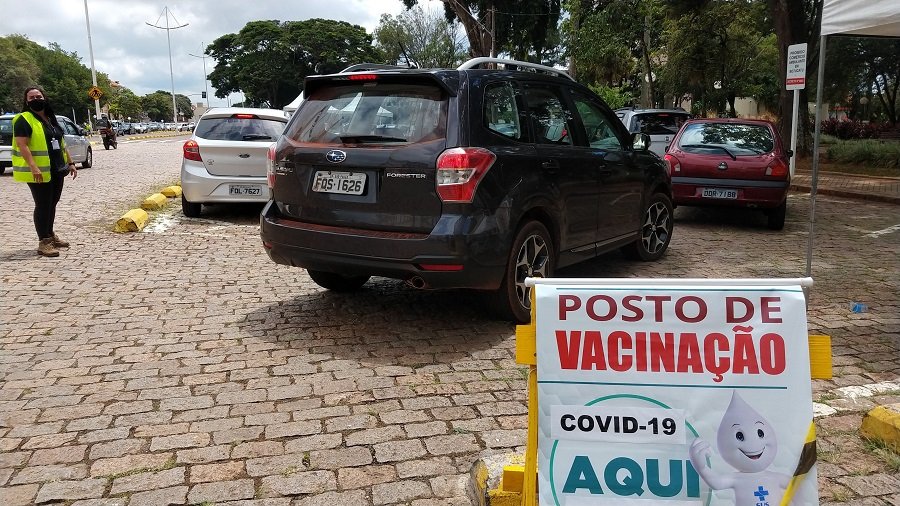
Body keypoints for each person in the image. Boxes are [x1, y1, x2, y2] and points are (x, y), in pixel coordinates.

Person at [11, 86, 78, 257]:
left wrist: (70, 163)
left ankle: (50, 235)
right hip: (39, 171)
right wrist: (33, 167)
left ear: (44, 97)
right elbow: (22, 145)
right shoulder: (24, 119)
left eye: (38, 96)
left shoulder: (50, 118)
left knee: (52, 203)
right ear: (26, 102)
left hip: (56, 169)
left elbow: (61, 143)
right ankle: (44, 242)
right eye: (31, 98)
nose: (36, 100)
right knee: (42, 205)